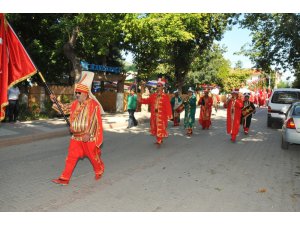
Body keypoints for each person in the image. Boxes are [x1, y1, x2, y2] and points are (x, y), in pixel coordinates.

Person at [50, 72, 105, 185]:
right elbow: (64, 109)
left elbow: (95, 121)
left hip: (88, 138)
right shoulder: (75, 104)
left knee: (93, 157)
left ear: (85, 93)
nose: (77, 95)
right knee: (71, 157)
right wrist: (55, 101)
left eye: (79, 93)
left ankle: (99, 170)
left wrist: (89, 134)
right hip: (76, 138)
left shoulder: (93, 104)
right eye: (76, 93)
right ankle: (64, 178)